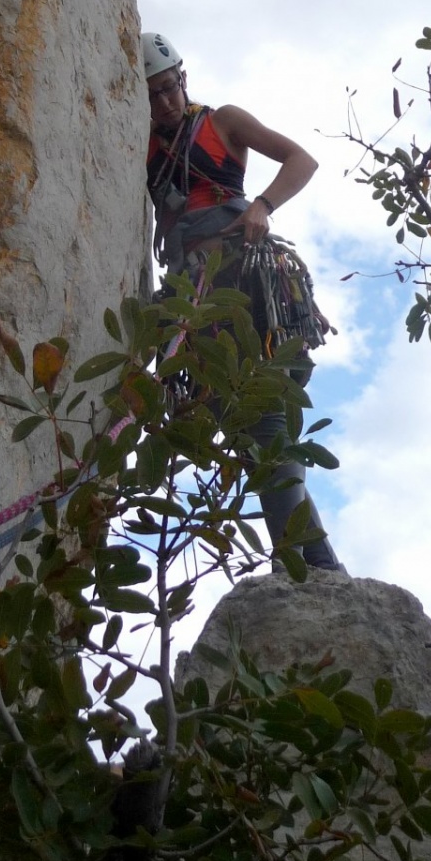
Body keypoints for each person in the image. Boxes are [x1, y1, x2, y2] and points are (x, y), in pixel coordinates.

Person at [141, 31, 345, 574]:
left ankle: (299, 563)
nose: (164, 102)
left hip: (244, 280)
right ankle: (315, 563)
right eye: (152, 94)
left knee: (265, 415)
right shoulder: (145, 143)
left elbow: (301, 160)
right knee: (244, 427)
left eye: (169, 88)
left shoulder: (223, 122)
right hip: (193, 296)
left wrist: (262, 204)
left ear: (184, 79)